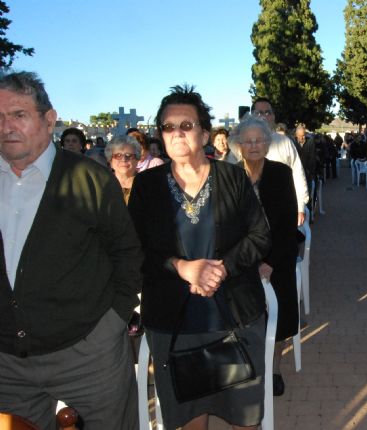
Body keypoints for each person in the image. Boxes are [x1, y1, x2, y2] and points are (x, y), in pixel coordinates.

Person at [0, 71, 142, 429]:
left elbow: (126, 251)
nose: (6, 126)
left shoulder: (89, 179)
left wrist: (114, 320)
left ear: (49, 120)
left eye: (18, 115)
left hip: (88, 354)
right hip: (8, 363)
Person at [128, 85, 270, 430]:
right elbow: (134, 250)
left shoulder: (232, 177)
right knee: (189, 420)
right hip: (175, 323)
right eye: (168, 126)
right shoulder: (147, 186)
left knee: (244, 419)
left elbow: (260, 236)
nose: (177, 133)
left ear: (204, 133)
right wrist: (182, 267)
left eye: (186, 125)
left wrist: (221, 270)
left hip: (235, 316)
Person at [232, 115, 299, 398]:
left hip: (277, 255)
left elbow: (287, 224)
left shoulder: (281, 173)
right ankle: (246, 367)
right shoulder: (230, 175)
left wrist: (270, 262)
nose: (254, 145)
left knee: (280, 311)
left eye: (259, 140)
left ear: (268, 143)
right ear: (238, 146)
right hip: (241, 258)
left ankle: (274, 368)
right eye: (248, 141)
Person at [250, 97, 308, 226]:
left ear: (273, 117)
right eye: (258, 113)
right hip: (250, 212)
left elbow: (297, 174)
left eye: (267, 112)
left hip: (282, 208)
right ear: (252, 116)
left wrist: (300, 207)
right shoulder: (242, 143)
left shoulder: (284, 142)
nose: (263, 116)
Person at [105, 135, 141, 204]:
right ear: (110, 160)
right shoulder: (103, 185)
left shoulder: (147, 185)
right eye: (118, 155)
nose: (124, 159)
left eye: (129, 155)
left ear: (137, 159)